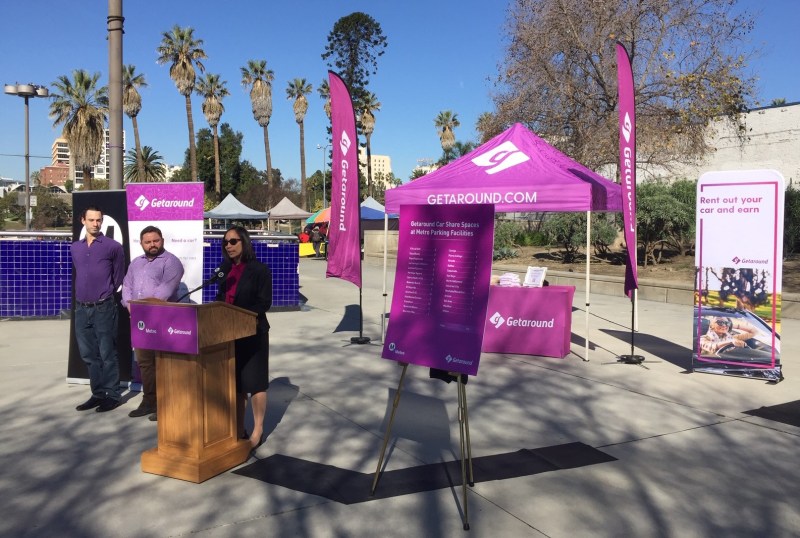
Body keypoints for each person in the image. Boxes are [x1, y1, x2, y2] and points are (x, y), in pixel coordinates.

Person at [216, 226, 272, 449]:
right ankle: (239, 428)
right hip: (230, 334)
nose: (229, 246)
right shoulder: (224, 269)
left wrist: (239, 314)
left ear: (244, 243)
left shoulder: (259, 270)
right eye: (226, 242)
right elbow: (220, 297)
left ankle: (258, 428)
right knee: (237, 385)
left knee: (255, 383)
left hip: (253, 332)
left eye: (233, 241)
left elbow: (264, 302)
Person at [121, 226, 185, 420]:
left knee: (164, 364)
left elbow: (164, 293)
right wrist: (129, 305)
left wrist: (140, 309)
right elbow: (127, 286)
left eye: (155, 241)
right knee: (146, 363)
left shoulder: (172, 263)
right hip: (140, 321)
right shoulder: (135, 263)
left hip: (163, 321)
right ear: (141, 243)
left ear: (162, 241)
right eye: (148, 242)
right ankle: (149, 401)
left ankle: (166, 404)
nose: (152, 245)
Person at [71, 206, 126, 413]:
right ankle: (98, 393)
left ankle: (112, 395)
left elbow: (119, 275)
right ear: (82, 221)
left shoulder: (113, 246)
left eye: (99, 220)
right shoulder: (75, 248)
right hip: (81, 308)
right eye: (91, 220)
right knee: (88, 354)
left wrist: (106, 293)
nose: (96, 223)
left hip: (104, 306)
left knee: (107, 353)